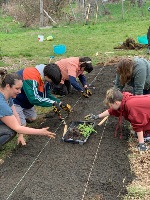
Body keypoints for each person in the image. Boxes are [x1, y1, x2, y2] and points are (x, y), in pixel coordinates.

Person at [0, 69, 56, 148]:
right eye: (17, 88)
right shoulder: (2, 103)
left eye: (20, 89)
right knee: (10, 131)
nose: (20, 92)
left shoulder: (7, 97)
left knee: (12, 126)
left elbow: (16, 116)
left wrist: (21, 135)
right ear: (8, 86)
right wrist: (40, 132)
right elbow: (17, 127)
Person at [89, 88, 150, 152]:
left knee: (142, 129)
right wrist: (97, 116)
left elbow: (138, 124)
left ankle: (147, 135)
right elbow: (111, 111)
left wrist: (141, 144)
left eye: (111, 105)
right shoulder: (122, 100)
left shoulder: (130, 105)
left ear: (116, 103)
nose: (110, 107)